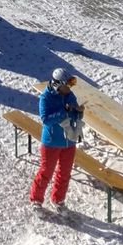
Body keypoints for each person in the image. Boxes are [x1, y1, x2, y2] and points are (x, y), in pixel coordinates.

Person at [29, 68, 83, 213]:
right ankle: (36, 200)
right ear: (57, 84)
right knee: (46, 171)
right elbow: (46, 120)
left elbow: (74, 115)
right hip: (52, 142)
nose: (69, 89)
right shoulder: (46, 98)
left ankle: (58, 199)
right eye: (67, 85)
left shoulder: (69, 95)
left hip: (68, 140)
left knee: (65, 172)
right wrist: (63, 111)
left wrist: (78, 113)